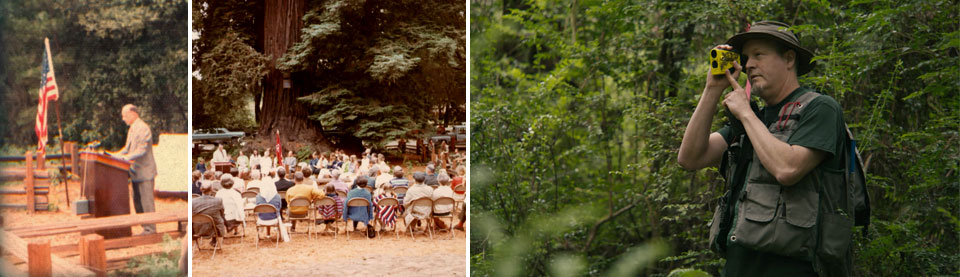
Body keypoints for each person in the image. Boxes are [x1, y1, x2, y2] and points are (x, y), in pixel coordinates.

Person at [677, 21, 845, 277]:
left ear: (789, 59)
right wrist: (712, 90)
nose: (749, 65)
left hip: (794, 269)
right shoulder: (754, 118)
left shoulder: (820, 109)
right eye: (746, 58)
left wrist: (745, 114)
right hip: (738, 266)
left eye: (759, 55)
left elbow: (788, 169)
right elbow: (690, 158)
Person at [116, 104, 158, 235]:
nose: (123, 119)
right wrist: (114, 155)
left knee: (147, 202)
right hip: (134, 172)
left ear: (134, 113)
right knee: (137, 202)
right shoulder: (132, 129)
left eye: (125, 115)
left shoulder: (143, 128)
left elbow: (141, 150)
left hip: (145, 172)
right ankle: (145, 227)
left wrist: (126, 158)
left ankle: (151, 229)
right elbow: (127, 149)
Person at [193, 182, 226, 247]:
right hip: (215, 230)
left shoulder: (193, 201)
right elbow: (222, 212)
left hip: (198, 229)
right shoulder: (218, 200)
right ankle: (214, 239)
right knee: (218, 218)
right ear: (211, 189)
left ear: (200, 189)